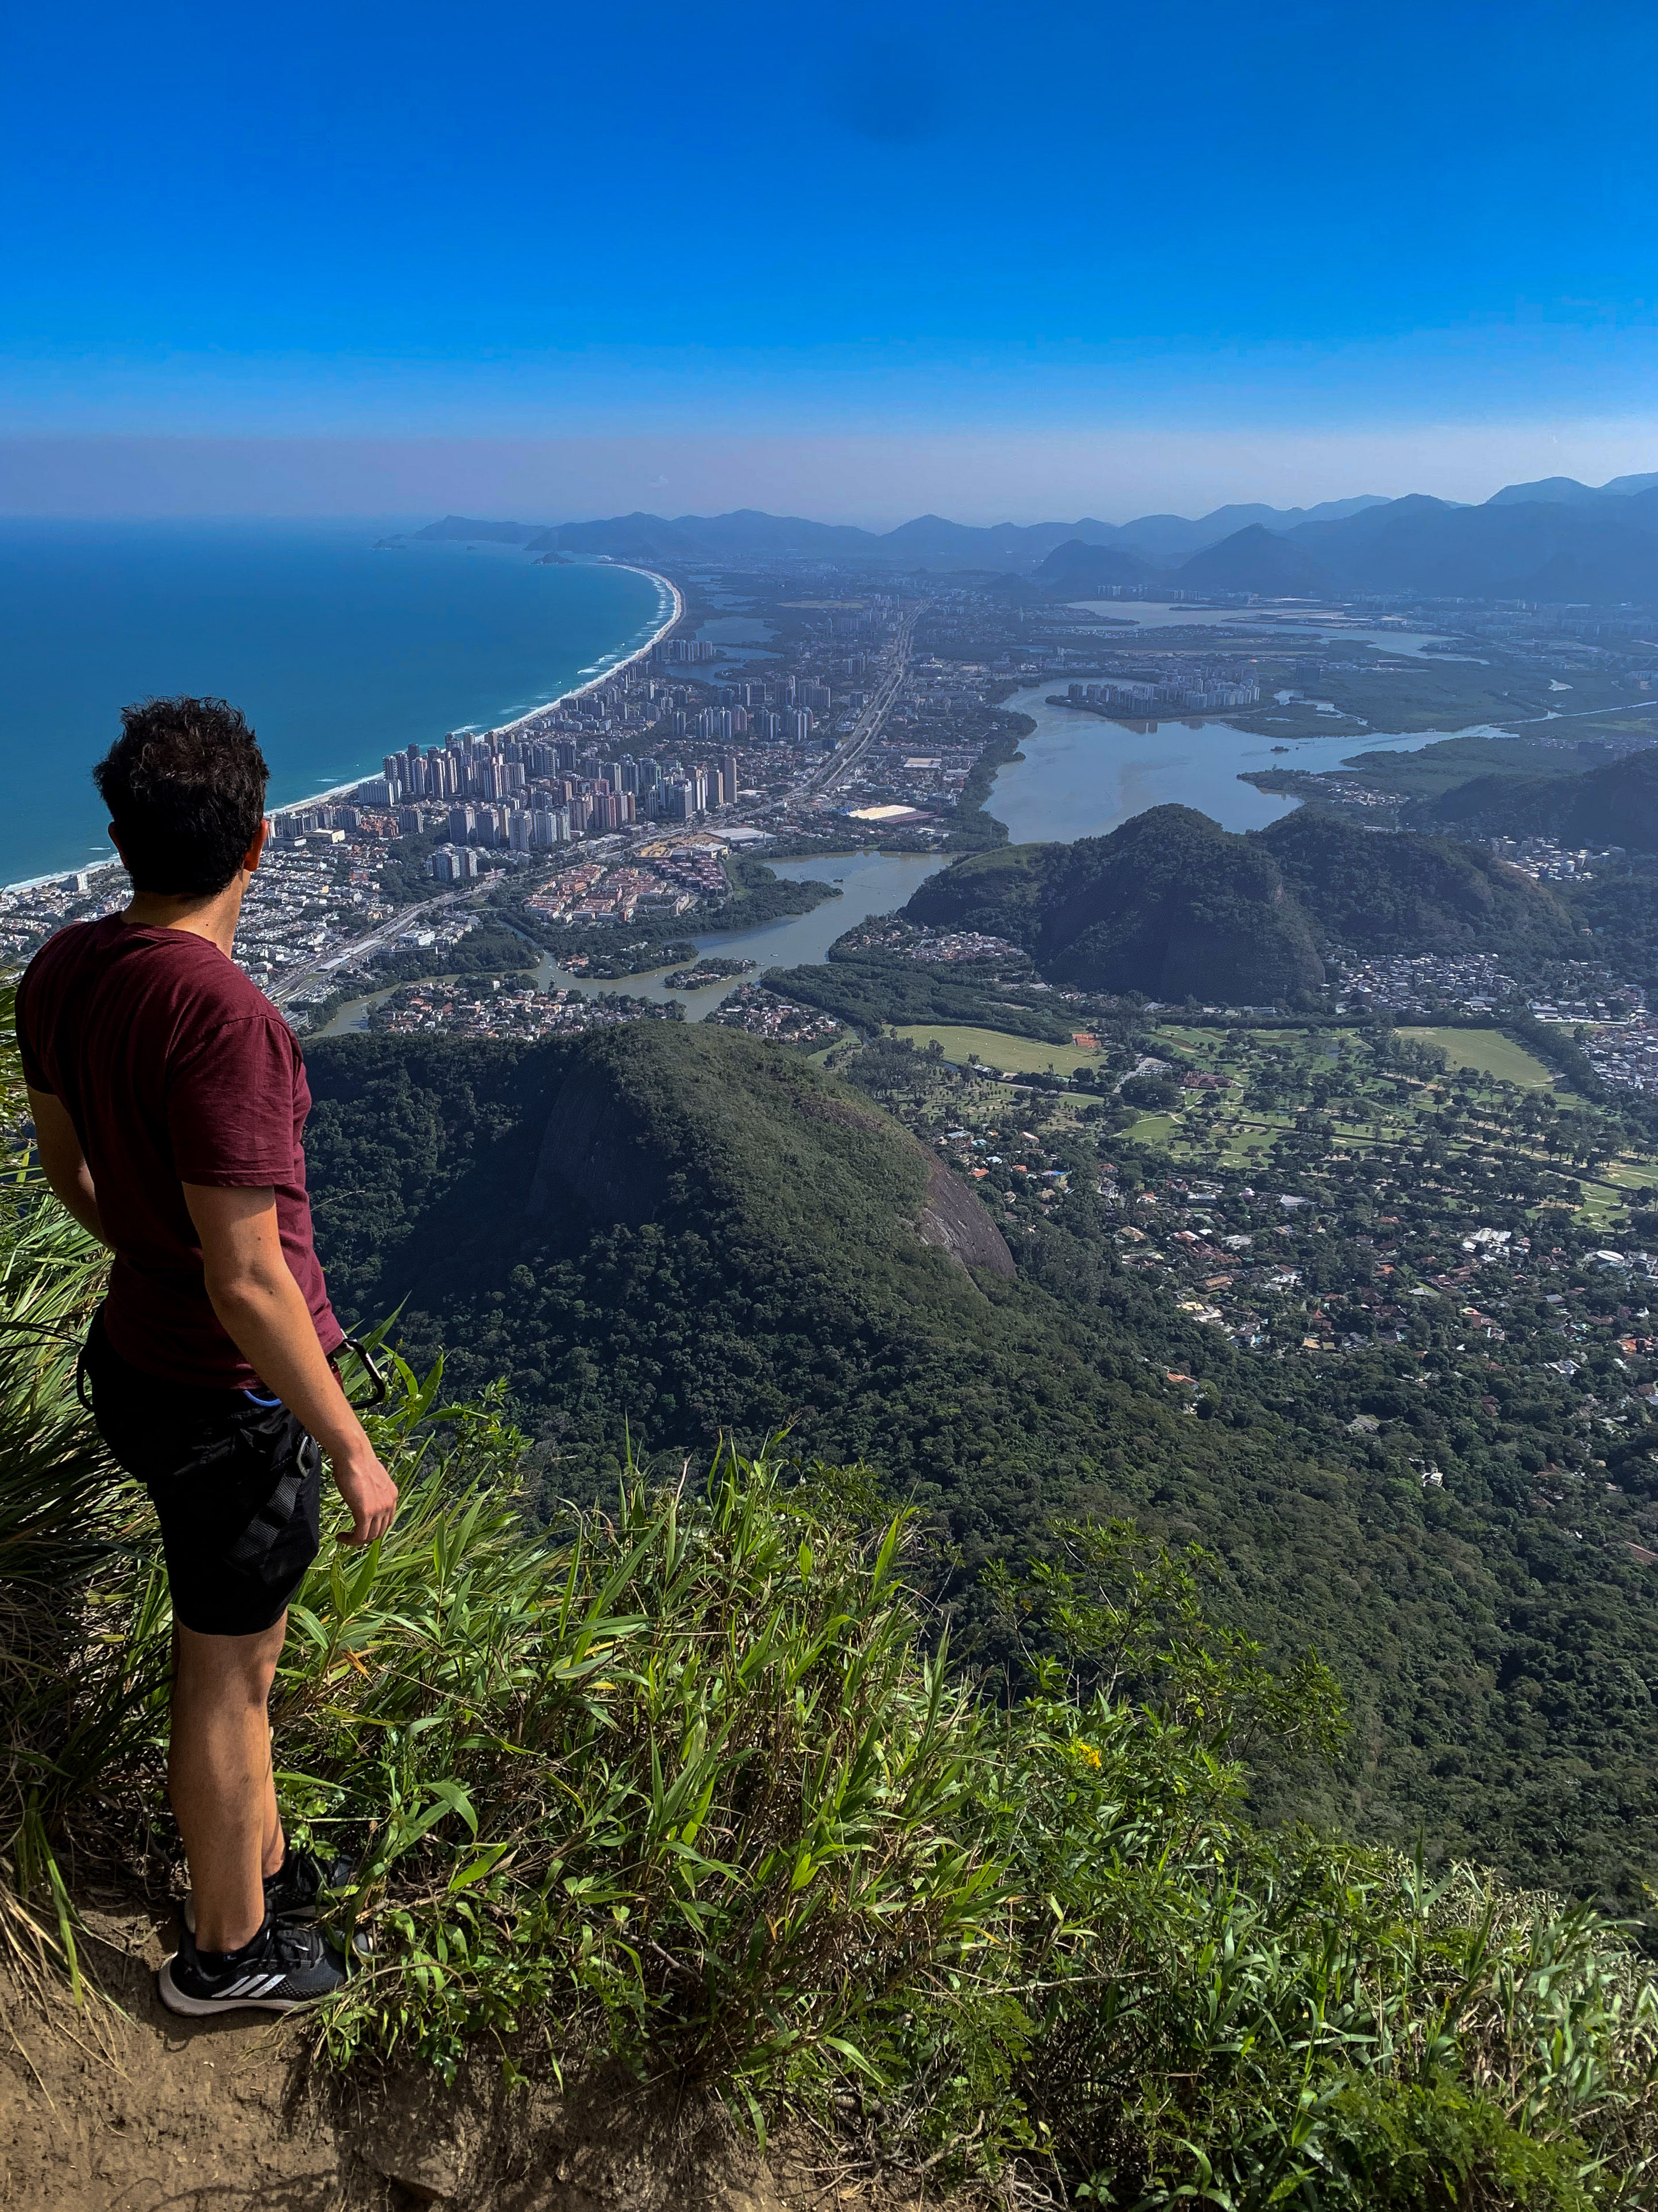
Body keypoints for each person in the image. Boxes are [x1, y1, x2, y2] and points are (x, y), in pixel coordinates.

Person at [15, 697, 398, 2017]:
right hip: (221, 1403)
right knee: (227, 1686)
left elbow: (67, 1166)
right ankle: (227, 1958)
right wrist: (348, 1444)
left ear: (119, 837)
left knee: (242, 1668)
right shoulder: (224, 1019)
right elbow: (249, 1279)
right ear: (260, 842)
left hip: (134, 1356)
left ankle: (265, 1865)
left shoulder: (63, 966)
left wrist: (146, 1249)